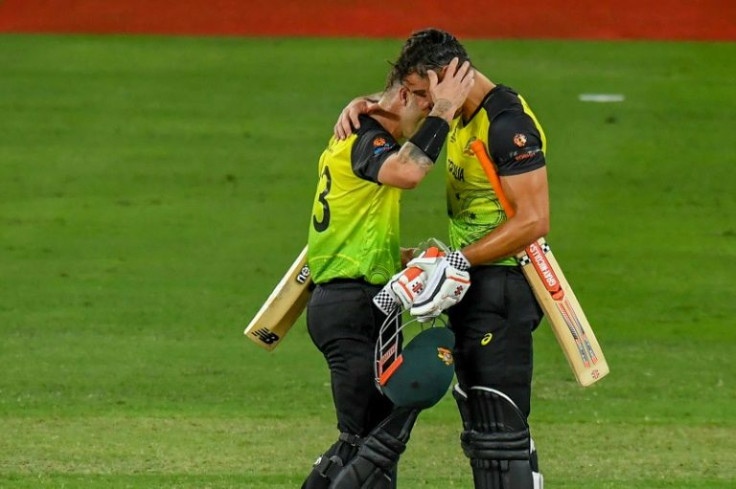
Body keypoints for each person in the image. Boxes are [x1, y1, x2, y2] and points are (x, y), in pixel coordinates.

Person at [334, 28, 549, 489]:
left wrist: (457, 262)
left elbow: (533, 221)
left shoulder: (507, 124)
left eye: (417, 93)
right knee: (480, 431)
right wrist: (369, 103)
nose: (410, 103)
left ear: (447, 79)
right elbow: (408, 108)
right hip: (475, 284)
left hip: (505, 286)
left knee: (498, 437)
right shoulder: (460, 114)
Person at [302, 56, 474, 489]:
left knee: (361, 446)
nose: (435, 114)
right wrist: (444, 110)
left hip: (355, 302)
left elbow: (351, 229)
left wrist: (406, 259)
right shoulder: (366, 137)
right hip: (350, 306)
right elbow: (409, 172)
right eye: (428, 102)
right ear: (404, 95)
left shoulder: (364, 126)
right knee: (369, 451)